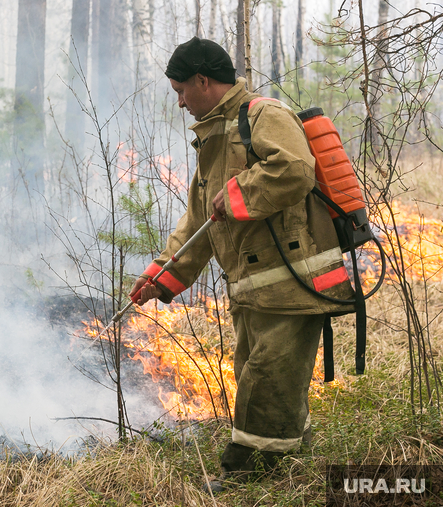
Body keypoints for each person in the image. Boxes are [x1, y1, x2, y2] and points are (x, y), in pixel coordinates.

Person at [129, 37, 354, 491]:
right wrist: (161, 274)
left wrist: (236, 195)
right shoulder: (214, 137)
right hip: (254, 289)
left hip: (293, 281)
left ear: (203, 81)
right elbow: (199, 219)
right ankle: (291, 461)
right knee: (262, 371)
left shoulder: (263, 115)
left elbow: (294, 169)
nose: (179, 102)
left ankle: (249, 475)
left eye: (180, 91)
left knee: (267, 376)